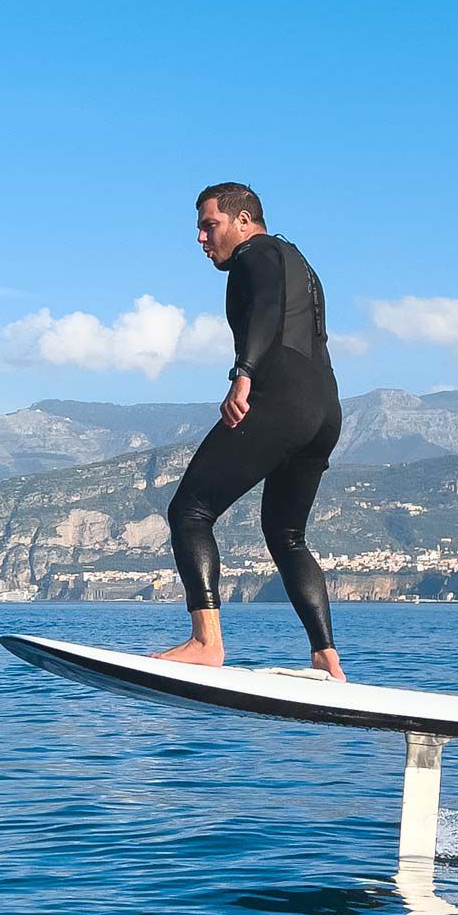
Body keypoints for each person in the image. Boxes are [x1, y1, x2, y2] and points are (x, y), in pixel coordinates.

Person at [153, 182, 345, 680]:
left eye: (209, 225)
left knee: (190, 511)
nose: (201, 238)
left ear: (243, 220)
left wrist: (244, 373)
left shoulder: (253, 254)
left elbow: (264, 309)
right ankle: (327, 658)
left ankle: (205, 643)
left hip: (280, 398)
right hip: (324, 410)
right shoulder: (297, 261)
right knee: (287, 535)